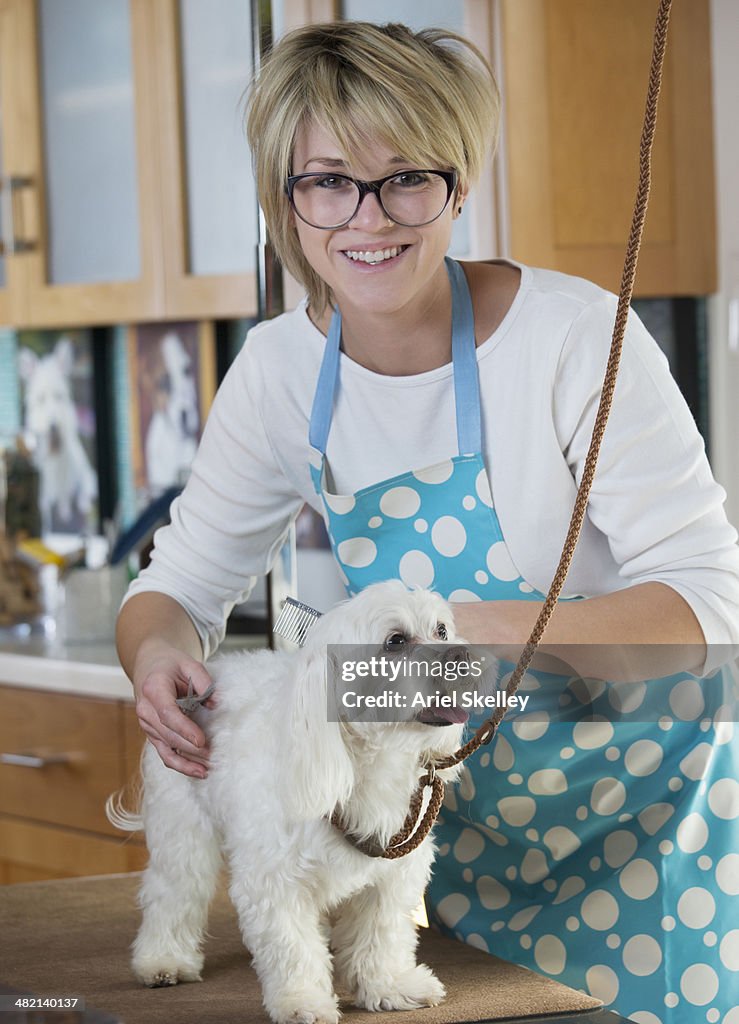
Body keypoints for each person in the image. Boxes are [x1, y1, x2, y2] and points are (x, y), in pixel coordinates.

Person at [116, 20, 739, 1023]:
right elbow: (180, 589)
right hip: (448, 859)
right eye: (327, 179)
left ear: (459, 182)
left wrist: (480, 631)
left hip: (645, 848)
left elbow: (712, 613)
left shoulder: (576, 341)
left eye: (407, 176)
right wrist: (155, 661)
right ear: (287, 195)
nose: (369, 216)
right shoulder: (278, 374)